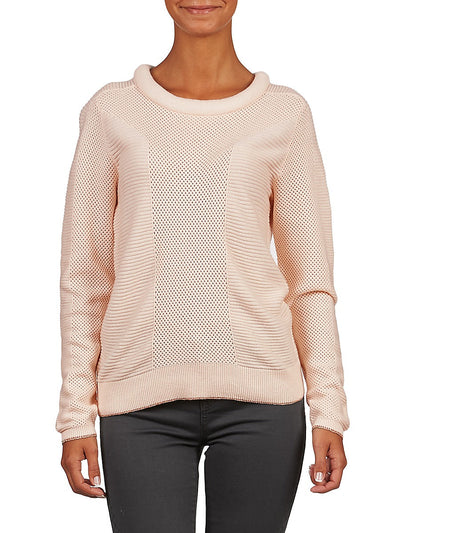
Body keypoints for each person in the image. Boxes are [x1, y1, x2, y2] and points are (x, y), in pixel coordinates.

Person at [56, 1, 350, 531]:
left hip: (263, 400)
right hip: (138, 403)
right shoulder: (111, 111)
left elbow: (309, 277)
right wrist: (76, 415)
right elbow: (86, 277)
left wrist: (328, 408)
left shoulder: (283, 114)